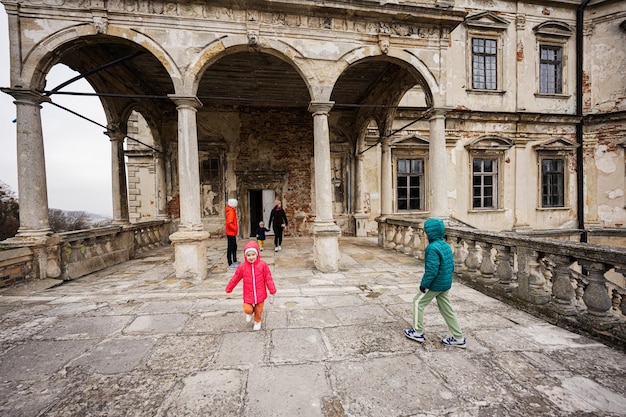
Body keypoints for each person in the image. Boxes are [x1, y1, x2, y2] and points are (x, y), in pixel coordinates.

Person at [403, 217, 467, 348]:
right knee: (447, 309)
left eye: (425, 231)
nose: (423, 233)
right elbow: (451, 265)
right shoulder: (445, 245)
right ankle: (458, 337)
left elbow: (431, 271)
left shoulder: (432, 248)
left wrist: (424, 285)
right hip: (445, 284)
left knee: (417, 302)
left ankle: (417, 332)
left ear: (430, 233)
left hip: (435, 284)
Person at [225, 240, 277, 330]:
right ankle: (249, 313)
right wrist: (229, 288)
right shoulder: (242, 267)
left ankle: (257, 321)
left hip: (260, 293)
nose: (251, 257)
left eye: (253, 254)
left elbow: (268, 278)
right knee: (247, 308)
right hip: (248, 293)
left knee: (258, 310)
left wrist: (272, 289)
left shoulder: (263, 265)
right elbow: (235, 278)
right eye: (248, 255)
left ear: (257, 254)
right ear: (245, 256)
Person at [225, 198, 239, 269]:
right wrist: (235, 228)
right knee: (231, 247)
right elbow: (229, 223)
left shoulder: (232, 211)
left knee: (234, 246)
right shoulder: (230, 212)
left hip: (232, 232)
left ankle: (234, 260)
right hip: (231, 232)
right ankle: (230, 262)